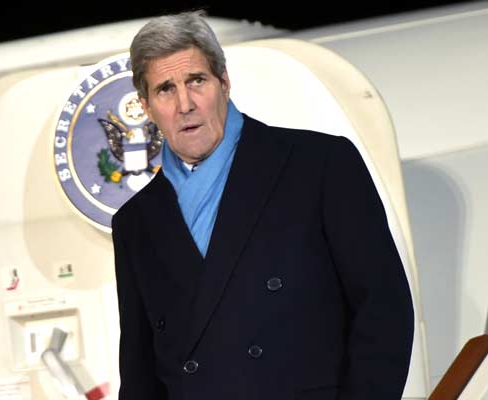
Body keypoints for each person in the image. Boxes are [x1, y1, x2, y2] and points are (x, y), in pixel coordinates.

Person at [111, 10, 414, 400]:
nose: (185, 103)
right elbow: (139, 373)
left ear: (224, 82)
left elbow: (383, 310)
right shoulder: (135, 223)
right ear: (147, 106)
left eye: (196, 81)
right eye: (165, 89)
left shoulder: (319, 165)